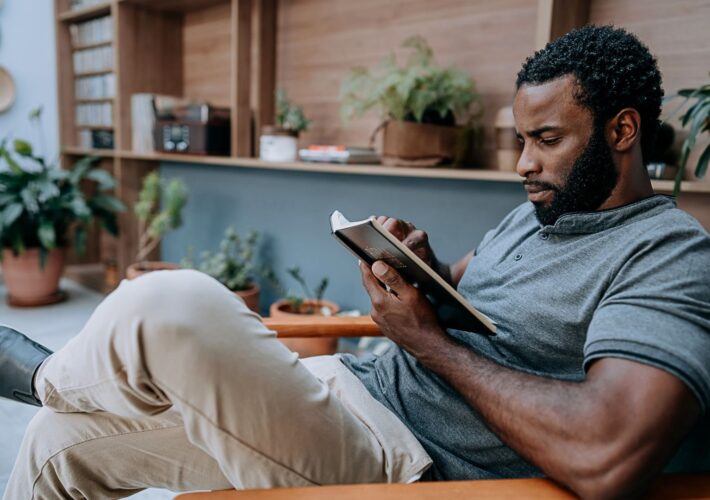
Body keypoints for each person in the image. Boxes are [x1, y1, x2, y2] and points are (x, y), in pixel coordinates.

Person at [2, 25, 709, 499]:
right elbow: (477, 304)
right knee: (54, 445)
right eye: (520, 139)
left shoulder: (667, 255)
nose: (524, 164)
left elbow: (610, 452)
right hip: (352, 387)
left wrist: (429, 345)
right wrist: (422, 272)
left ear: (622, 130)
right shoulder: (543, 210)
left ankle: (46, 374)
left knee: (171, 305)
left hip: (398, 457)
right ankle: (63, 392)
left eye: (546, 139)